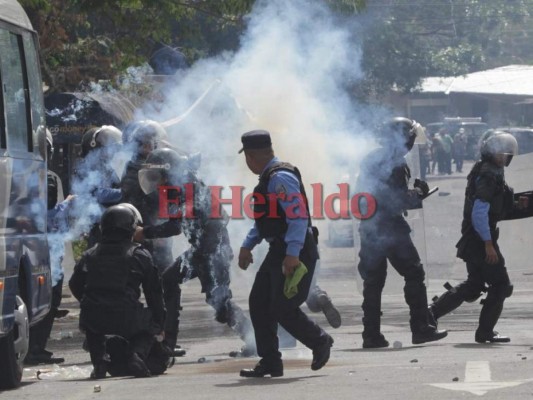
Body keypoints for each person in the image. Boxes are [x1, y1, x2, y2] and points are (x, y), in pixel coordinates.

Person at [134, 147, 255, 355]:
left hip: (213, 251)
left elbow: (175, 227)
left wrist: (144, 232)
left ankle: (256, 341)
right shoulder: (175, 187)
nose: (156, 181)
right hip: (201, 250)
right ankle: (168, 343)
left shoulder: (187, 187)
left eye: (158, 175)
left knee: (219, 303)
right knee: (169, 280)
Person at [238, 129, 333, 378]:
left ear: (250, 156)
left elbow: (297, 217)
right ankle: (270, 361)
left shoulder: (280, 178)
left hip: (297, 250)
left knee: (283, 307)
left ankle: (320, 340)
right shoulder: (269, 177)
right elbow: (266, 221)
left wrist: (292, 254)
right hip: (278, 249)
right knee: (258, 303)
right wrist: (248, 245)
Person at [428, 131, 531, 343]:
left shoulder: (488, 170)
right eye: (502, 154)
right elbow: (479, 212)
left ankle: (430, 313)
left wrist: (513, 204)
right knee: (502, 285)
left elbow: (492, 206)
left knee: (475, 285)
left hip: (473, 238)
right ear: (491, 153)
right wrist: (488, 244)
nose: (506, 158)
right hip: (479, 240)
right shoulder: (488, 175)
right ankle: (484, 332)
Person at [355, 117, 448, 348]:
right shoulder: (396, 163)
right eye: (411, 137)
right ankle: (421, 328)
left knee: (373, 282)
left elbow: (362, 196)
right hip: (390, 227)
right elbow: (395, 200)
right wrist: (417, 192)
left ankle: (371, 335)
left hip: (369, 227)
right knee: (414, 274)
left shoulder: (370, 159)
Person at [69, 204, 166, 379]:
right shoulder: (140, 254)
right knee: (150, 322)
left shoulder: (89, 255)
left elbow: (75, 284)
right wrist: (159, 323)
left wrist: (89, 302)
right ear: (131, 228)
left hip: (94, 317)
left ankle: (99, 362)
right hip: (126, 316)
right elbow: (154, 294)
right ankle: (137, 355)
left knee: (92, 322)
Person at [120, 120, 186, 358]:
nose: (148, 147)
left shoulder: (162, 166)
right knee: (140, 292)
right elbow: (131, 201)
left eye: (150, 143)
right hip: (142, 237)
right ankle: (143, 339)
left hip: (157, 237)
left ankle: (165, 341)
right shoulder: (135, 171)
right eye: (145, 143)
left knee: (166, 292)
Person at [25, 129, 70, 365]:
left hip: (32, 246)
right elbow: (50, 213)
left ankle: (32, 347)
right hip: (47, 248)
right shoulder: (46, 177)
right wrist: (69, 204)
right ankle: (36, 348)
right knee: (48, 300)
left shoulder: (21, 174)